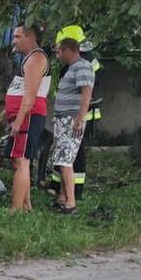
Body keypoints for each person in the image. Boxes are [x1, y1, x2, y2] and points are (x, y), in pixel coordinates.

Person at [6, 25, 49, 211]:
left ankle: (15, 209)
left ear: (30, 37)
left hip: (28, 116)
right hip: (22, 116)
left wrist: (18, 120)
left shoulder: (36, 58)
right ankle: (25, 204)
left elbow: (30, 96)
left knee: (21, 160)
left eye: (18, 36)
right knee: (20, 160)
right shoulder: (28, 58)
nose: (14, 40)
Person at [51, 37, 94, 213]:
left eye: (59, 51)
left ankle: (70, 202)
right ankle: (63, 197)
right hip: (64, 119)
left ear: (69, 50)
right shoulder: (71, 68)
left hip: (71, 120)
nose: (58, 55)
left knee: (65, 159)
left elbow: (86, 93)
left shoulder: (82, 67)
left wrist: (79, 118)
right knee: (62, 159)